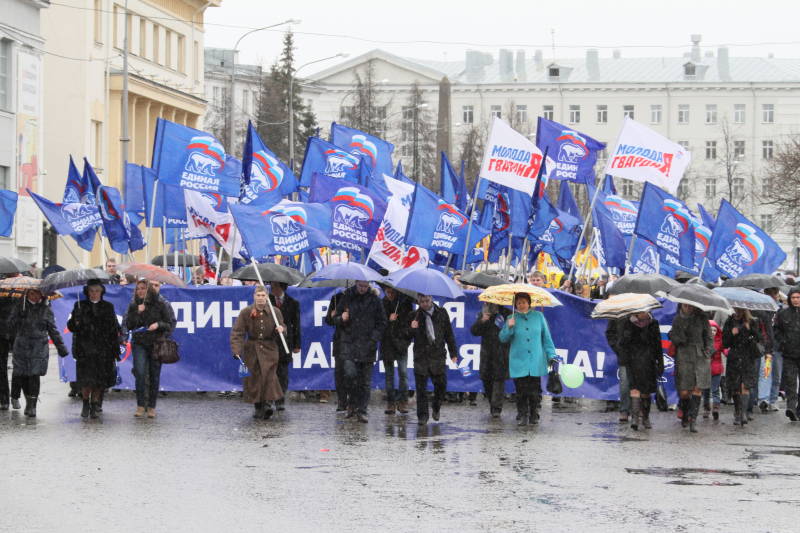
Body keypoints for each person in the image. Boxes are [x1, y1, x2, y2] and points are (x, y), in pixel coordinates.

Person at [498, 292, 558, 426]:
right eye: (518, 303)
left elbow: (546, 338)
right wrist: (509, 327)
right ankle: (522, 414)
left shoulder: (539, 316)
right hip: (518, 361)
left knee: (535, 391)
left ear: (529, 303)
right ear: (515, 305)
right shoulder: (511, 318)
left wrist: (551, 355)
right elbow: (502, 338)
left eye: (524, 302)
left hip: (536, 360)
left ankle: (534, 413)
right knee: (521, 391)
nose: (521, 305)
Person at [8, 288, 69, 417]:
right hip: (22, 346)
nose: (35, 296)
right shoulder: (20, 307)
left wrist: (61, 347)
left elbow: (53, 330)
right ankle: (25, 399)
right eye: (32, 293)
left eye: (37, 293)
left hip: (39, 347)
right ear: (27, 294)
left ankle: (32, 406)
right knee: (23, 375)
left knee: (34, 375)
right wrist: (18, 316)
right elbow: (10, 325)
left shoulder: (46, 310)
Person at [66, 280, 122, 419]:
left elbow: (113, 328)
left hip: (103, 349)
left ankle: (95, 404)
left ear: (102, 292)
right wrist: (76, 320)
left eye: (97, 291)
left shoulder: (108, 307)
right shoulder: (79, 305)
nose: (94, 293)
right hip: (85, 349)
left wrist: (115, 349)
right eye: (91, 291)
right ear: (87, 292)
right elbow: (72, 327)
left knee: (99, 380)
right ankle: (85, 403)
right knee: (86, 379)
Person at [333, 280, 386, 423]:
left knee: (365, 381)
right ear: (356, 283)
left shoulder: (375, 300)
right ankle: (352, 403)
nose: (362, 289)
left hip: (368, 345)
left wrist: (373, 338)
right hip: (349, 344)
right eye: (360, 286)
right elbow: (335, 319)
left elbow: (382, 322)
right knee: (350, 375)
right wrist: (341, 318)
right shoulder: (347, 297)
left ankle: (362, 410)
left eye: (365, 286)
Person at [230, 286, 286, 420]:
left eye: (263, 295)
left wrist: (281, 329)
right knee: (254, 378)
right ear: (254, 296)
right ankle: (258, 406)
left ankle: (267, 404)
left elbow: (283, 327)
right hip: (252, 349)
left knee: (269, 376)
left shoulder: (275, 312)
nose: (260, 298)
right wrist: (237, 350)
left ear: (267, 297)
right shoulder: (246, 312)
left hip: (270, 348)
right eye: (258, 295)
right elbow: (237, 332)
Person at [124, 280, 176, 418]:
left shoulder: (160, 304)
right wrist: (137, 312)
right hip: (139, 343)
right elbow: (129, 324)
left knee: (154, 375)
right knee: (140, 373)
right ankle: (140, 405)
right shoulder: (134, 304)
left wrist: (158, 325)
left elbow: (169, 323)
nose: (140, 291)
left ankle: (152, 406)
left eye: (143, 288)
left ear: (149, 290)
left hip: (156, 343)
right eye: (138, 289)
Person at [408, 293, 458, 424]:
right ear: (418, 302)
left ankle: (436, 406)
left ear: (431, 299)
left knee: (441, 385)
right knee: (421, 389)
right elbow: (406, 336)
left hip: (437, 355)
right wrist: (411, 328)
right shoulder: (414, 315)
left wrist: (453, 353)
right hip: (421, 356)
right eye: (422, 301)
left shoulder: (442, 313)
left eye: (427, 301)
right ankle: (422, 416)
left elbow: (449, 334)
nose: (425, 304)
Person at [616, 311, 663, 430]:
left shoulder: (653, 323)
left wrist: (660, 362)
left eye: (645, 311)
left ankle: (645, 417)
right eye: (640, 312)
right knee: (634, 389)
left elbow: (657, 344)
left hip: (648, 362)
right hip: (633, 361)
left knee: (646, 392)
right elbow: (621, 344)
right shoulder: (627, 323)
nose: (643, 313)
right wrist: (626, 336)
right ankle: (635, 419)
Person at [669, 303, 713, 432]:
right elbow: (673, 336)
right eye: (685, 305)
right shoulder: (678, 319)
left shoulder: (702, 318)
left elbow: (708, 337)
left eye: (690, 306)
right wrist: (679, 337)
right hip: (683, 355)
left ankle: (693, 420)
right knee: (684, 391)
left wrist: (708, 352)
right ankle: (685, 412)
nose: (688, 307)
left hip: (700, 355)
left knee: (697, 388)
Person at [722, 307, 764, 426]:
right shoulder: (730, 321)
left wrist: (751, 330)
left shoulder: (753, 321)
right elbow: (725, 343)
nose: (738, 311)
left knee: (745, 385)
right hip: (734, 356)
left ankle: (744, 413)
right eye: (736, 309)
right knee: (735, 387)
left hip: (748, 357)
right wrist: (732, 333)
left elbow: (760, 339)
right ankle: (738, 411)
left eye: (741, 309)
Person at [470, 302, 510, 418]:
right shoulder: (483, 313)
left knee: (499, 381)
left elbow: (512, 334)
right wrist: (482, 320)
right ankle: (492, 404)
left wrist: (510, 326)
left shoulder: (507, 314)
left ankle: (496, 408)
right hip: (487, 353)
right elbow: (474, 331)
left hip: (501, 353)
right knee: (487, 381)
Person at [380, 286, 413, 415]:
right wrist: (388, 320)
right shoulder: (382, 304)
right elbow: (378, 324)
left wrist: (405, 339)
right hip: (387, 344)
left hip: (401, 344)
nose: (390, 295)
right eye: (387, 292)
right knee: (389, 375)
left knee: (403, 373)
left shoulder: (405, 302)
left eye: (392, 292)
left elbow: (410, 324)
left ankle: (403, 401)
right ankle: (391, 402)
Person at [269, 282, 300, 410]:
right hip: (270, 341)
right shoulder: (267, 301)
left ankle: (280, 399)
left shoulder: (293, 303)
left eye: (275, 286)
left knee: (282, 373)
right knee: (270, 372)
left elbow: (296, 325)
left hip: (285, 342)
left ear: (282, 287)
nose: (272, 288)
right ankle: (269, 399)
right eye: (271, 286)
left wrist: (297, 344)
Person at [774, 287, 800, 421]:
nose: (795, 300)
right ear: (789, 299)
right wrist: (783, 342)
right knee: (790, 382)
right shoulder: (783, 313)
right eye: (793, 297)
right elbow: (776, 330)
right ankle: (791, 408)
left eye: (798, 297)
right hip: (789, 353)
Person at [757, 287, 782, 413]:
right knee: (766, 372)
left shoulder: (781, 310)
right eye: (769, 293)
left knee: (777, 375)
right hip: (766, 347)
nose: (772, 296)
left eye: (774, 293)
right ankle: (764, 399)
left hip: (778, 347)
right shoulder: (761, 310)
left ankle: (773, 400)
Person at [324, 290, 347, 411]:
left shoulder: (361, 298)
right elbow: (328, 320)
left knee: (353, 373)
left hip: (356, 341)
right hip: (340, 340)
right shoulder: (336, 298)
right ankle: (342, 401)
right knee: (339, 372)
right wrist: (335, 317)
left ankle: (353, 401)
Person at [605, 317, 631, 422]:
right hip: (625, 355)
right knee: (625, 384)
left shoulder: (643, 312)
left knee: (640, 385)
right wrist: (618, 348)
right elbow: (610, 333)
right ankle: (624, 409)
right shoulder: (618, 313)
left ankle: (639, 411)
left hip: (641, 354)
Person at [701, 320, 725, 421]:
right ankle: (706, 408)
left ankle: (715, 408)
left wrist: (728, 352)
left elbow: (725, 349)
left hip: (716, 368)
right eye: (711, 330)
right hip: (705, 369)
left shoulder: (719, 341)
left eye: (715, 330)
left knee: (715, 390)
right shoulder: (703, 341)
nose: (713, 332)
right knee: (706, 391)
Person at [0, 277, 18, 410]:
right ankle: (9, 398)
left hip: (10, 332)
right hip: (11, 332)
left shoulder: (18, 291)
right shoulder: (19, 290)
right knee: (16, 367)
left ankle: (7, 398)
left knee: (5, 367)